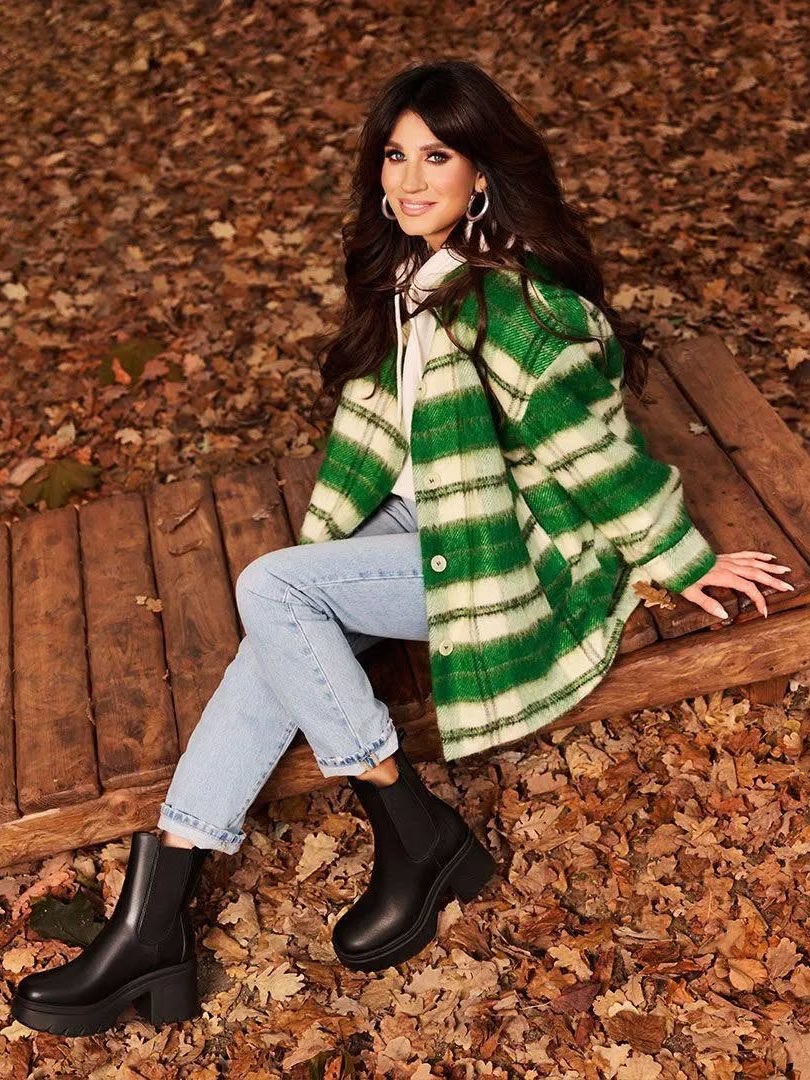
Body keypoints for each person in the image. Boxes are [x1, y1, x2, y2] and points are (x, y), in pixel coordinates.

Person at [11, 60, 793, 1038]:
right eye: (395, 155)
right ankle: (155, 916)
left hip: (501, 549)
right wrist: (329, 558)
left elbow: (592, 450)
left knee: (275, 592)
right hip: (422, 522)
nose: (411, 179)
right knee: (277, 624)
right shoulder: (416, 277)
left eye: (438, 156)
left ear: (483, 174)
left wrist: (681, 556)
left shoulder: (515, 304)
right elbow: (379, 432)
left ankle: (408, 826)